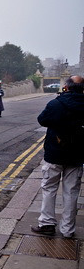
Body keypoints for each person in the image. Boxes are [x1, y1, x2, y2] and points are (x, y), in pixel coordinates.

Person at [31, 76, 84, 238]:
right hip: (76, 154)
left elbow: (42, 120)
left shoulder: (56, 104)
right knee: (71, 192)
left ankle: (46, 224)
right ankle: (68, 230)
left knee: (49, 188)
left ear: (66, 87)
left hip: (55, 151)